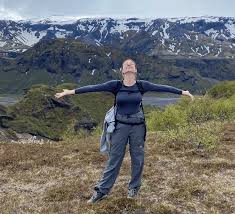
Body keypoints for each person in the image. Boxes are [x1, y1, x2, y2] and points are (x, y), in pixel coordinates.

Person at [54, 58, 194, 204]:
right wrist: (70, 92)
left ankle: (134, 188)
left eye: (131, 64)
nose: (128, 65)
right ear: (122, 70)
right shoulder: (115, 85)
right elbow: (94, 87)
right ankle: (102, 191)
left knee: (138, 158)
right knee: (114, 158)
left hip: (138, 127)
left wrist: (183, 92)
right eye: (126, 64)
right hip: (120, 126)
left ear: (135, 70)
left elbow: (162, 88)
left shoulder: (141, 85)